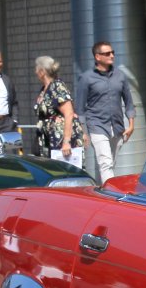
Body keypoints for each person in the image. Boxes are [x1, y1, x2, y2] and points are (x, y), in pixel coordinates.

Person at [79, 41, 135, 182]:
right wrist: (84, 131)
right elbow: (80, 107)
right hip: (96, 125)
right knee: (106, 163)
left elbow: (129, 102)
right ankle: (110, 193)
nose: (112, 55)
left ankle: (101, 190)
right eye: (107, 53)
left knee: (110, 164)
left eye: (112, 52)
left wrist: (131, 125)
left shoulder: (120, 76)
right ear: (97, 57)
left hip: (117, 126)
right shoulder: (86, 78)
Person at [33, 56, 83, 168]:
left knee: (63, 170)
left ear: (42, 71)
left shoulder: (57, 86)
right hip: (48, 138)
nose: (35, 72)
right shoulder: (45, 88)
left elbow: (69, 113)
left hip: (59, 139)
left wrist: (66, 141)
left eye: (36, 69)